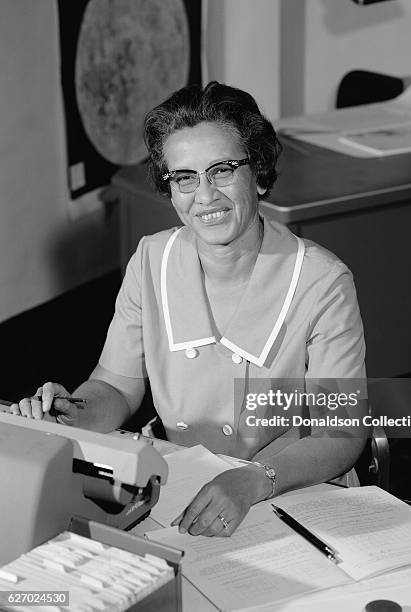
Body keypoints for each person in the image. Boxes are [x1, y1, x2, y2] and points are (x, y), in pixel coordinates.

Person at [9, 81, 367, 537]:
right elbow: (117, 389)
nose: (205, 195)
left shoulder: (322, 281)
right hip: (179, 486)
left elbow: (342, 434)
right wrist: (70, 413)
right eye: (185, 177)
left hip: (290, 489)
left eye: (222, 170)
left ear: (256, 171)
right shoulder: (151, 260)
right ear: (171, 189)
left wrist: (255, 479)